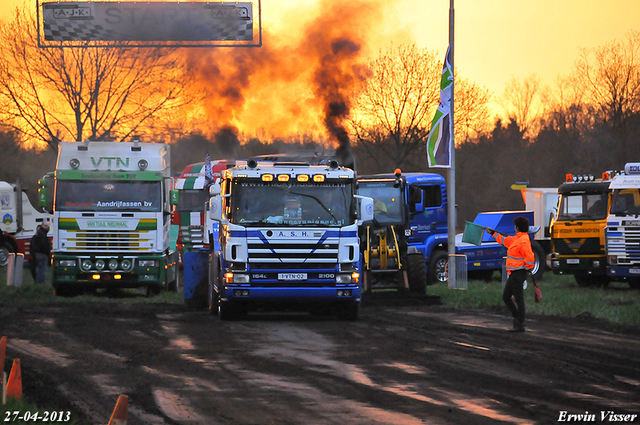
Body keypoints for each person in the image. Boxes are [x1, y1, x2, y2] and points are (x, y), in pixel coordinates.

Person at [486, 216, 535, 332]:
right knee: (506, 297)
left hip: (519, 273)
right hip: (514, 273)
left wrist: (527, 269)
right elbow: (504, 240)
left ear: (517, 227)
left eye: (515, 226)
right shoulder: (517, 239)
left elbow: (530, 258)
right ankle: (518, 319)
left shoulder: (523, 240)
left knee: (518, 298)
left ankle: (520, 323)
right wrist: (493, 233)